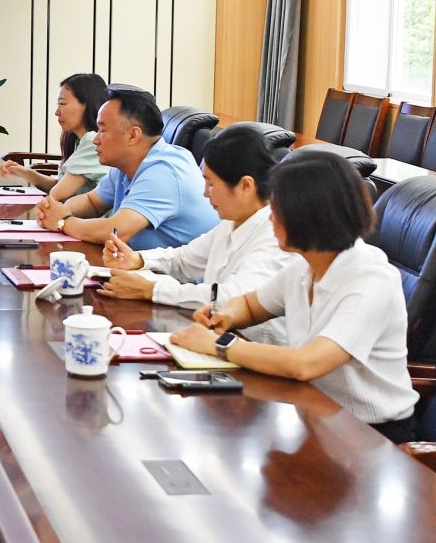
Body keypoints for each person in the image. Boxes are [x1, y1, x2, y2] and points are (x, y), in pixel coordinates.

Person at [169, 150, 416, 433]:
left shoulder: (370, 280)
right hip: (313, 410)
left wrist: (219, 344)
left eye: (277, 209)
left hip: (369, 431)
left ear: (307, 216)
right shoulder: (304, 265)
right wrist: (225, 316)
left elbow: (307, 364)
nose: (270, 218)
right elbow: (250, 305)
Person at [97, 123, 287, 327]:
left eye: (211, 184)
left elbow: (233, 298)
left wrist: (151, 290)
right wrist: (137, 259)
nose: (205, 193)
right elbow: (183, 260)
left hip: (247, 343)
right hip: (212, 331)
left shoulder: (274, 237)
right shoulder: (233, 222)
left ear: (245, 186)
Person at [45, 87, 219, 250]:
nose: (95, 140)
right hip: (142, 265)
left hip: (181, 273)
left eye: (102, 130)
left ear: (133, 135)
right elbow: (93, 202)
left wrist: (62, 223)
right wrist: (63, 210)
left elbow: (116, 231)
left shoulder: (163, 172)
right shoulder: (127, 164)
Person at [2, 72, 109, 204]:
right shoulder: (79, 141)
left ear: (87, 104)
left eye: (62, 104)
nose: (57, 112)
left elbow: (56, 194)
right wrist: (23, 172)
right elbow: (59, 186)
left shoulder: (93, 141)